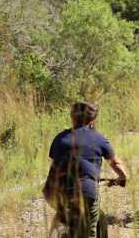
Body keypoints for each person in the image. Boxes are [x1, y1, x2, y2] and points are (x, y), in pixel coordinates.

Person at [46, 102, 127, 238]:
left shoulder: (59, 138)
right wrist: (123, 178)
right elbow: (115, 163)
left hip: (56, 192)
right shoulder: (99, 139)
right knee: (90, 230)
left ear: (72, 118)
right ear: (92, 120)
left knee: (62, 213)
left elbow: (55, 163)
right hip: (87, 191)